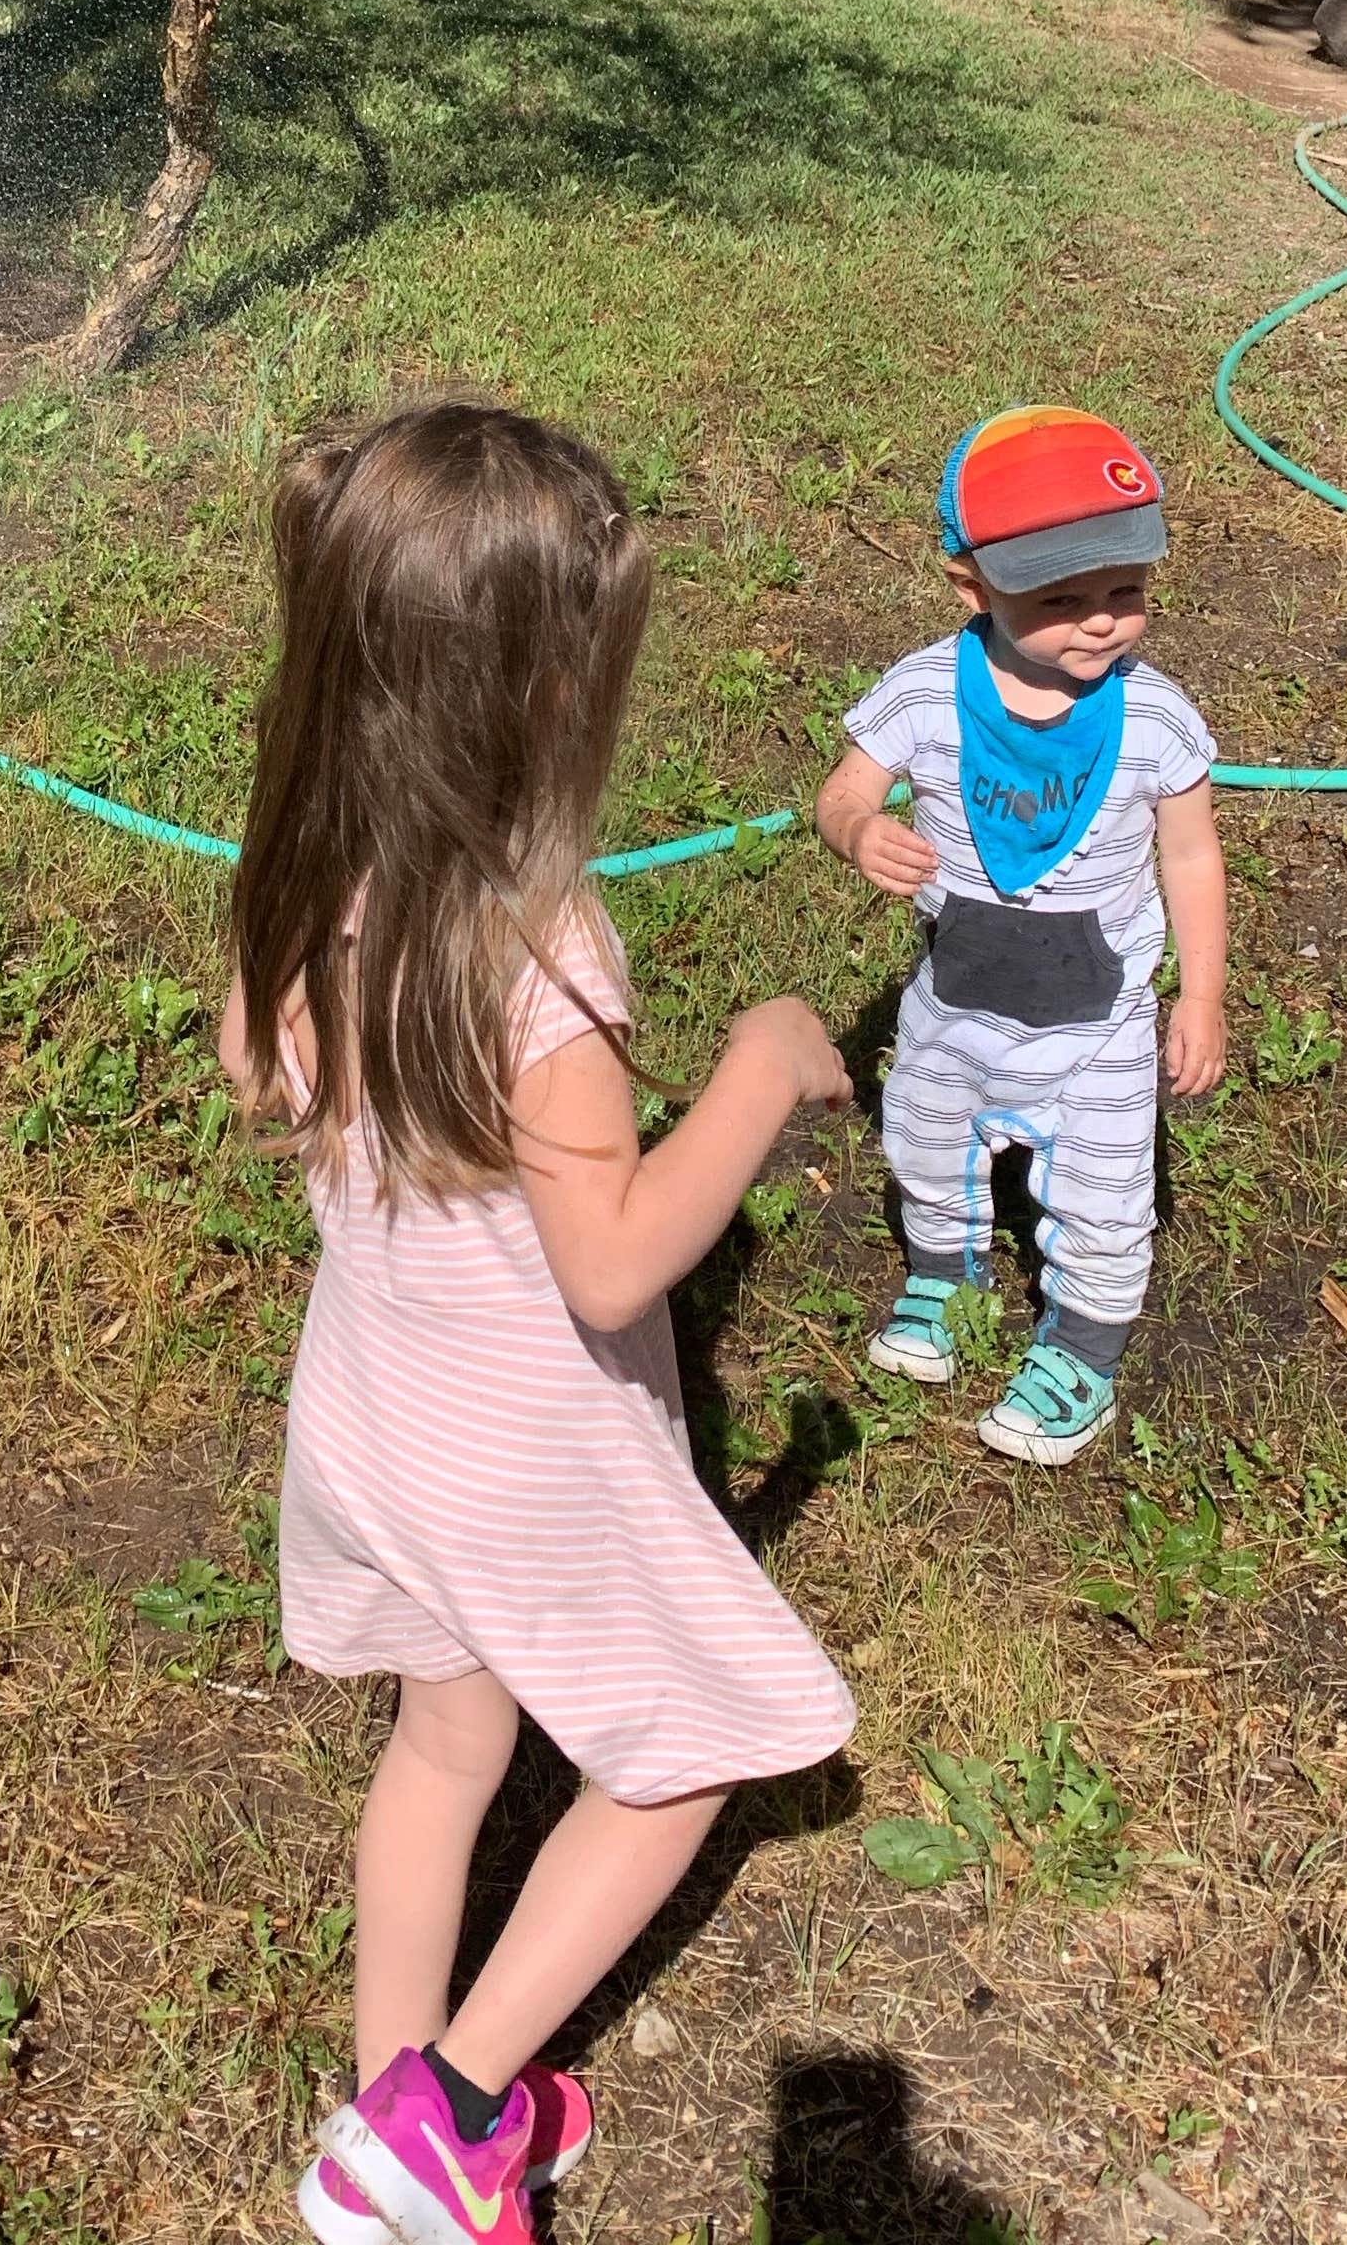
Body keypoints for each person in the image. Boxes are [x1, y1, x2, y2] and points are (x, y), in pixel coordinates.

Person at [221, 403, 855, 2245]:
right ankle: (451, 2120)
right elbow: (609, 1263)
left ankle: (385, 2101)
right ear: (536, 694)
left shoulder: (298, 866)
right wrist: (753, 1066)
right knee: (684, 1753)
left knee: (442, 1746)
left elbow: (261, 1074)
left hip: (368, 1402)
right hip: (514, 1440)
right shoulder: (544, 941)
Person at [814, 407, 1228, 1469]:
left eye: (1126, 592)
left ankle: (1083, 1345)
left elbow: (1190, 859)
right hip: (956, 1003)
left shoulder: (1157, 721)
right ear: (971, 587)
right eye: (1060, 599)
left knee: (1103, 1189)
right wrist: (860, 828)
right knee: (923, 1135)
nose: (1101, 623)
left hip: (1098, 1028)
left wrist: (1201, 997)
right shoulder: (922, 694)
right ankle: (943, 1282)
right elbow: (842, 792)